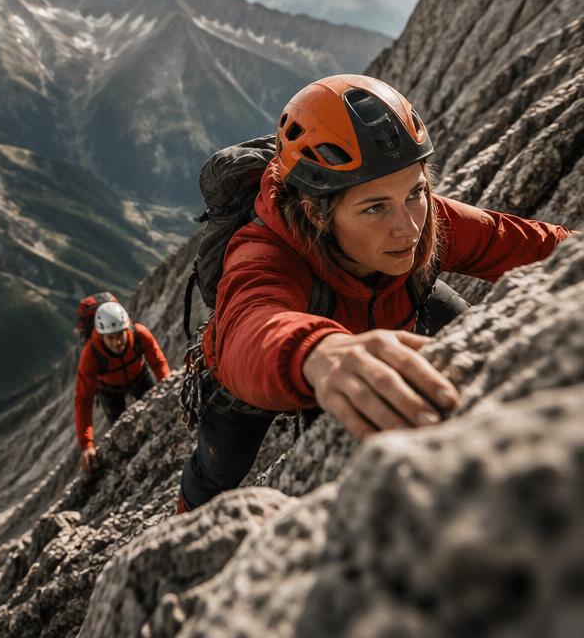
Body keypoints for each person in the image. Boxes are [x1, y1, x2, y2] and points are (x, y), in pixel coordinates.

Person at [179, 73, 574, 512]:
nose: (408, 228)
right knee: (218, 471)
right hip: (280, 361)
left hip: (369, 323)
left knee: (461, 335)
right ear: (316, 212)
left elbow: (520, 242)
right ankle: (177, 540)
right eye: (375, 207)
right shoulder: (265, 252)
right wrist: (318, 352)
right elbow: (251, 323)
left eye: (415, 192)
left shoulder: (427, 220)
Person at [75, 300, 170, 472]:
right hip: (109, 391)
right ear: (101, 336)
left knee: (157, 413)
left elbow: (158, 363)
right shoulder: (90, 355)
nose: (117, 342)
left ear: (127, 329)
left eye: (120, 335)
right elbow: (84, 400)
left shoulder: (141, 334)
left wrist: (169, 391)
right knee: (123, 435)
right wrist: (87, 444)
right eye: (110, 337)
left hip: (139, 377)